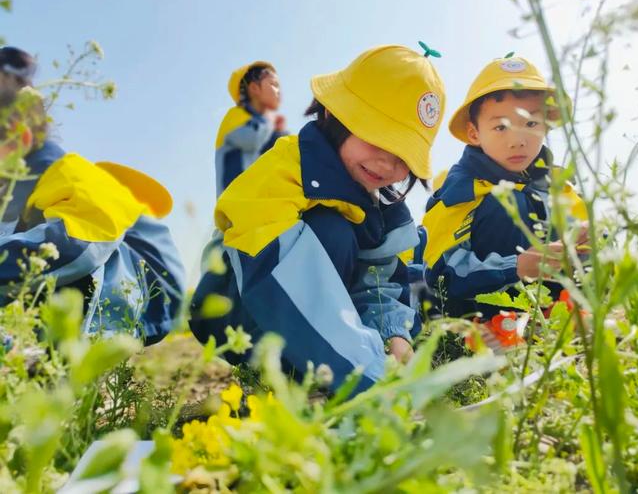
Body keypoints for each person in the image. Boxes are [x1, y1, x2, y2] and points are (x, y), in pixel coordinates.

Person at [190, 44, 446, 394]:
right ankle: (300, 375)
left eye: (403, 156)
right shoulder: (284, 168)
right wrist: (367, 373)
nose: (387, 166)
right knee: (331, 230)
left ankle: (324, 370)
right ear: (334, 115)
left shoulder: (385, 207)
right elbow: (274, 268)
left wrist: (393, 336)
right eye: (375, 139)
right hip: (240, 306)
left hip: (328, 333)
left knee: (356, 246)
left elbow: (380, 285)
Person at [0, 46, 185, 345]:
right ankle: (39, 355)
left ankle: (67, 358)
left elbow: (78, 245)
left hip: (148, 283)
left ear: (19, 138)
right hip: (102, 272)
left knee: (45, 249)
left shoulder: (65, 172)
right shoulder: (13, 191)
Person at [421, 55, 586, 349]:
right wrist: (515, 267)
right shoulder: (462, 190)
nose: (517, 140)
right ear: (474, 133)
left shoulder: (560, 185)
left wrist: (592, 243)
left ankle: (561, 317)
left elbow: (595, 240)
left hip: (550, 308)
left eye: (531, 123)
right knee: (503, 205)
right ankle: (493, 329)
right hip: (480, 311)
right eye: (500, 127)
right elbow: (440, 273)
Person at [214, 61, 286, 196]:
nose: (279, 92)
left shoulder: (264, 126)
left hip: (259, 202)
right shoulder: (235, 116)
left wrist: (280, 134)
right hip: (236, 203)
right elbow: (252, 140)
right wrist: (270, 123)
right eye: (273, 85)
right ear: (254, 88)